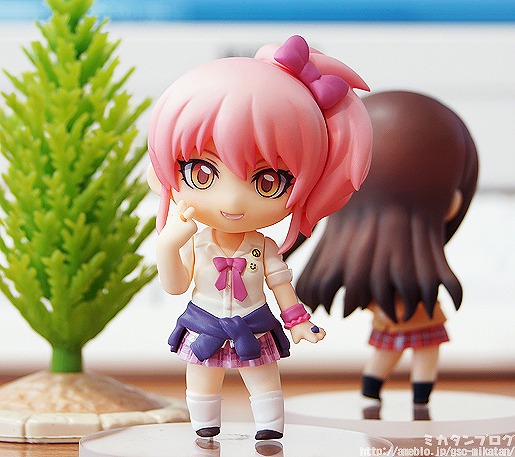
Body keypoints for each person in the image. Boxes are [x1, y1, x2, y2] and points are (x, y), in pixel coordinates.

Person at [146, 35, 372, 439]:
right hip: (204, 323)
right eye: (203, 173)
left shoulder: (263, 247)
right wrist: (168, 244)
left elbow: (281, 285)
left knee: (264, 379)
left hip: (254, 323)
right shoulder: (197, 242)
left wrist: (297, 321)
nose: (232, 200)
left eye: (268, 181)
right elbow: (177, 286)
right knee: (201, 381)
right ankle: (205, 429)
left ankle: (268, 427)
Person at [291, 91, 478, 405]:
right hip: (414, 320)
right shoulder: (412, 285)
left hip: (402, 321)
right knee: (409, 352)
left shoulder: (388, 281)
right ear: (452, 205)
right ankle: (392, 390)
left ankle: (381, 389)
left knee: (403, 351)